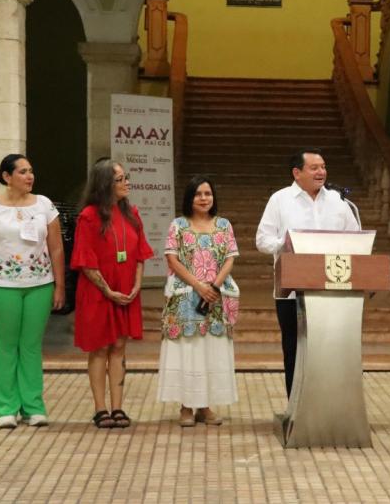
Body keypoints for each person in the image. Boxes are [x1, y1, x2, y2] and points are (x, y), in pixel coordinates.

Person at [255, 148, 360, 398]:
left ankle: (329, 404)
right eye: (314, 168)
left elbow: (356, 238)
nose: (321, 172)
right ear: (297, 172)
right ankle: (296, 406)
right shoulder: (279, 200)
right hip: (291, 291)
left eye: (323, 167)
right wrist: (285, 243)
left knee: (331, 351)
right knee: (295, 349)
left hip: (333, 289)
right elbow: (262, 240)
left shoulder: (339, 202)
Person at [0, 154, 65, 429]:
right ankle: (6, 407)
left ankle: (33, 407)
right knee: (7, 346)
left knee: (31, 346)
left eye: (31, 171)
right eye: (22, 171)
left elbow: (56, 249)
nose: (29, 176)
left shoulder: (44, 205)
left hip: (40, 285)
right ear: (6, 176)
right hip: (2, 287)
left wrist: (59, 286)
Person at [71, 159, 153, 428]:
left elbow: (140, 254)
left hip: (126, 292)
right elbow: (85, 261)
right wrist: (108, 290)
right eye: (119, 179)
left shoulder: (132, 213)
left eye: (126, 177)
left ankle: (118, 407)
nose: (126, 182)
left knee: (119, 346)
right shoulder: (89, 216)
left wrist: (136, 285)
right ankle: (100, 409)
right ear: (105, 184)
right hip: (98, 292)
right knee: (100, 348)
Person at [157, 177, 240, 426]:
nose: (204, 198)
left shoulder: (224, 225)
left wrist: (213, 286)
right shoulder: (178, 225)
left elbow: (230, 258)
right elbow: (172, 259)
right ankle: (186, 407)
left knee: (210, 351)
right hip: (185, 297)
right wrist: (198, 286)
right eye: (198, 194)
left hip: (215, 298)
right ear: (189, 198)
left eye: (208, 193)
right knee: (188, 350)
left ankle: (205, 407)